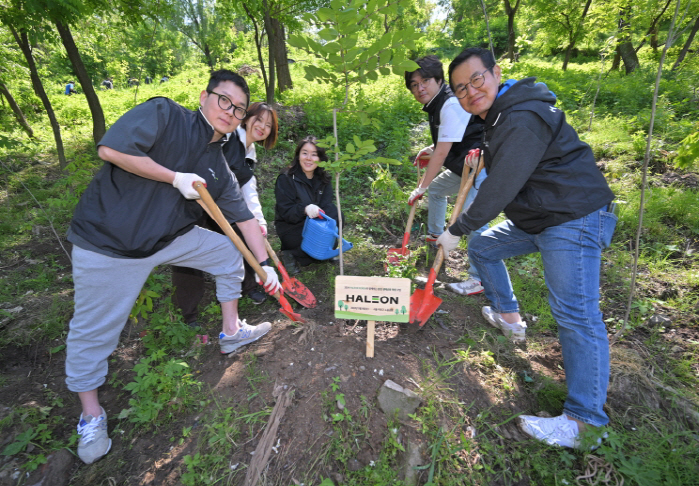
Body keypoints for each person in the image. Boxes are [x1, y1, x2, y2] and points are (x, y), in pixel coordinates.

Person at [64, 69, 281, 465]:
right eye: (223, 100)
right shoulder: (166, 115)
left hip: (166, 238)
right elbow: (111, 150)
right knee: (93, 331)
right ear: (204, 96)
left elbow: (246, 220)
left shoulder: (219, 165)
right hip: (108, 242)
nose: (230, 112)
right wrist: (174, 177)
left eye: (237, 108)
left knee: (228, 254)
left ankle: (231, 331)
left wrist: (265, 265)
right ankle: (91, 414)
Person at [438, 47, 617, 449]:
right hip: (541, 216)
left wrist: (458, 227)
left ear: (496, 72)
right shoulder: (501, 116)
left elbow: (501, 187)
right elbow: (513, 161)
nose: (471, 91)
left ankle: (585, 422)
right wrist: (482, 153)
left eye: (477, 79)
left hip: (572, 216)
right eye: (461, 88)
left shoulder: (520, 116)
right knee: (484, 246)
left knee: (576, 314)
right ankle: (510, 319)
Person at [172, 102, 279, 315]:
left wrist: (259, 221)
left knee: (241, 238)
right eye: (258, 119)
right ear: (247, 118)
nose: (262, 127)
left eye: (268, 125)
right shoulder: (228, 137)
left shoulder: (250, 153)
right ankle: (186, 310)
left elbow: (249, 188)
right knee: (188, 256)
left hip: (223, 206)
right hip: (193, 200)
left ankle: (248, 285)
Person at [404, 55, 489, 295]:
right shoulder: (436, 103)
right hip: (463, 163)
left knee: (474, 218)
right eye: (413, 84)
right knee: (438, 190)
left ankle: (478, 278)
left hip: (482, 162)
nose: (419, 88)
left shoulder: (449, 103)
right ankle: (435, 236)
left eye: (425, 81)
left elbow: (442, 153)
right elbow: (450, 138)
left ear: (439, 80)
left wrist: (420, 186)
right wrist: (429, 149)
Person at [274, 136, 342, 273]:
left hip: (316, 223)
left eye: (314, 154)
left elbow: (326, 205)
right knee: (300, 243)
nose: (309, 158)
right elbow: (286, 211)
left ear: (320, 158)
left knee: (335, 212)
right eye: (305, 153)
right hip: (293, 226)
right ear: (298, 155)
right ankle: (291, 254)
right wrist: (304, 209)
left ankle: (323, 251)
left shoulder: (324, 178)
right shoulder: (286, 178)